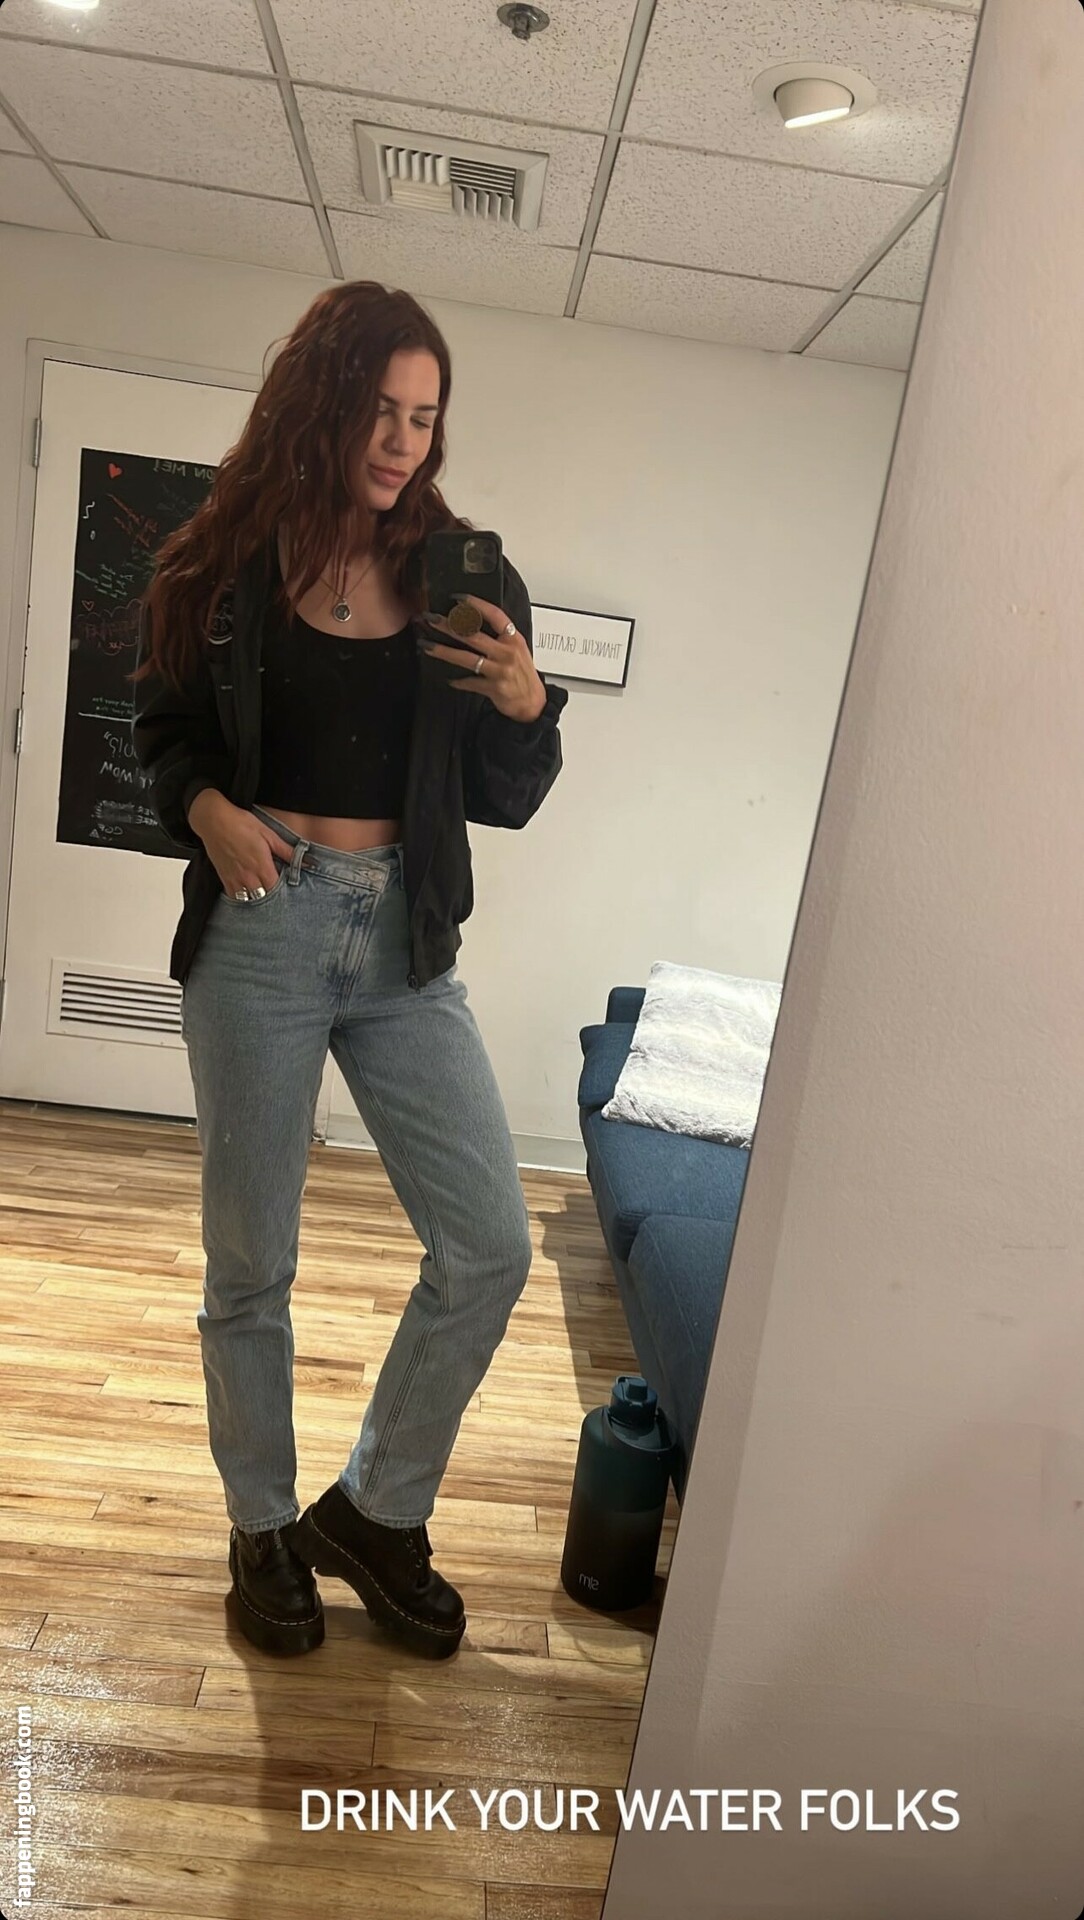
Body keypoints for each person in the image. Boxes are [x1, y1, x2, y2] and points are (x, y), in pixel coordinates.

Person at [132, 280, 567, 1662]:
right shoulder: (218, 566)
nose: (400, 440)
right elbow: (162, 736)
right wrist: (206, 808)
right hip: (259, 929)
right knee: (251, 1263)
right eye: (379, 409)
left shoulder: (464, 577)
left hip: (404, 943)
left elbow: (502, 793)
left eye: (423, 418)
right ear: (318, 403)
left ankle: (376, 1510)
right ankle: (262, 1524)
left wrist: (529, 709)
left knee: (489, 1245)